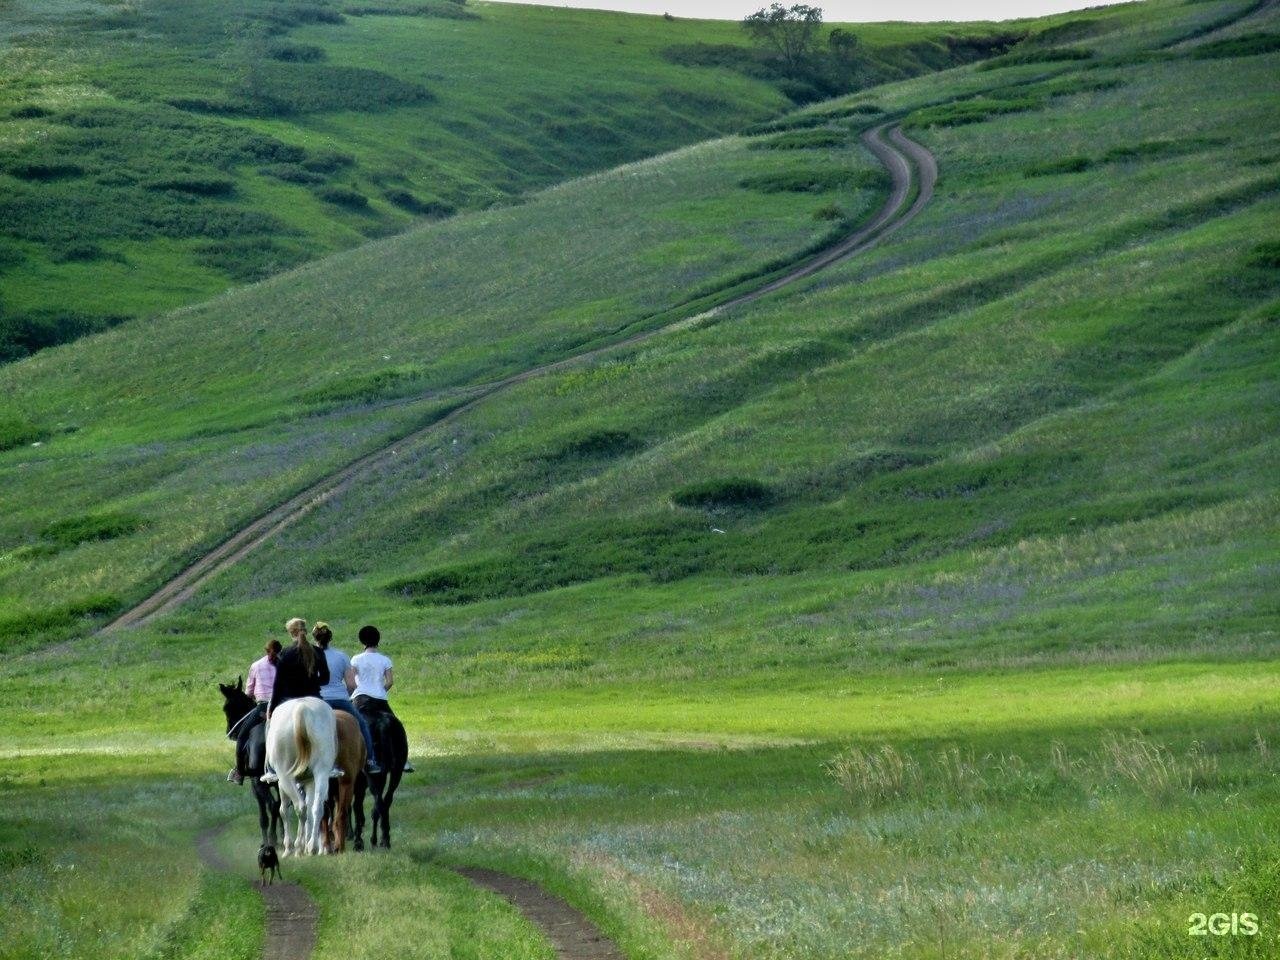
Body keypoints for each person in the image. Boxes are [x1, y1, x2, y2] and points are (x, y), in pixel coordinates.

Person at [261, 617, 331, 784]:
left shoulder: (285, 653)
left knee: (269, 727)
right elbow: (326, 678)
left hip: (289, 699)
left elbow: (278, 683)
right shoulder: (318, 651)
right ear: (305, 630)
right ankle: (332, 764)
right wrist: (312, 682)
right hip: (314, 698)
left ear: (290, 633)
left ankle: (270, 769)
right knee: (330, 724)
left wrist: (272, 707)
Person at [313, 621, 382, 775]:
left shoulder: (309, 655)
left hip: (317, 701)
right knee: (362, 724)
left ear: (314, 638)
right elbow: (351, 685)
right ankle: (370, 760)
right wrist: (348, 697)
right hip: (340, 699)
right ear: (330, 638)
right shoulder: (341, 656)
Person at [352, 625, 413, 772]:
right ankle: (403, 761)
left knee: (351, 726)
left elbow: (351, 681)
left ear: (362, 642)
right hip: (380, 700)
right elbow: (390, 681)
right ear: (377, 640)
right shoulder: (385, 660)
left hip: (360, 699)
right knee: (397, 727)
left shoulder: (356, 659)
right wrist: (381, 690)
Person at [227, 638, 281, 784]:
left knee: (242, 736)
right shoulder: (285, 664)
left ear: (266, 651)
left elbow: (249, 692)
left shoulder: (256, 666)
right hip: (282, 707)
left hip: (263, 707)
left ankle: (239, 772)